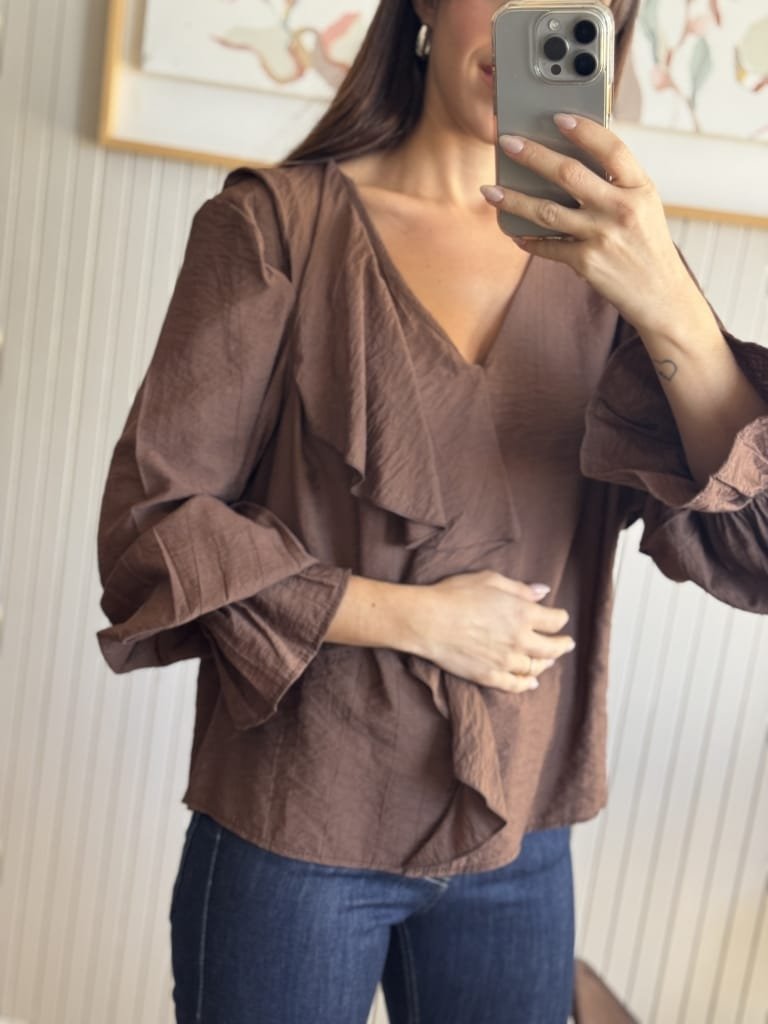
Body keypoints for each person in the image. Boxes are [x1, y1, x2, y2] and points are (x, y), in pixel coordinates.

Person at [95, 0, 768, 1021]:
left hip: (520, 836)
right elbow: (155, 527)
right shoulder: (277, 227)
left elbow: (753, 548)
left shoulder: (614, 269)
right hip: (296, 825)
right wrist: (415, 617)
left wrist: (667, 296)